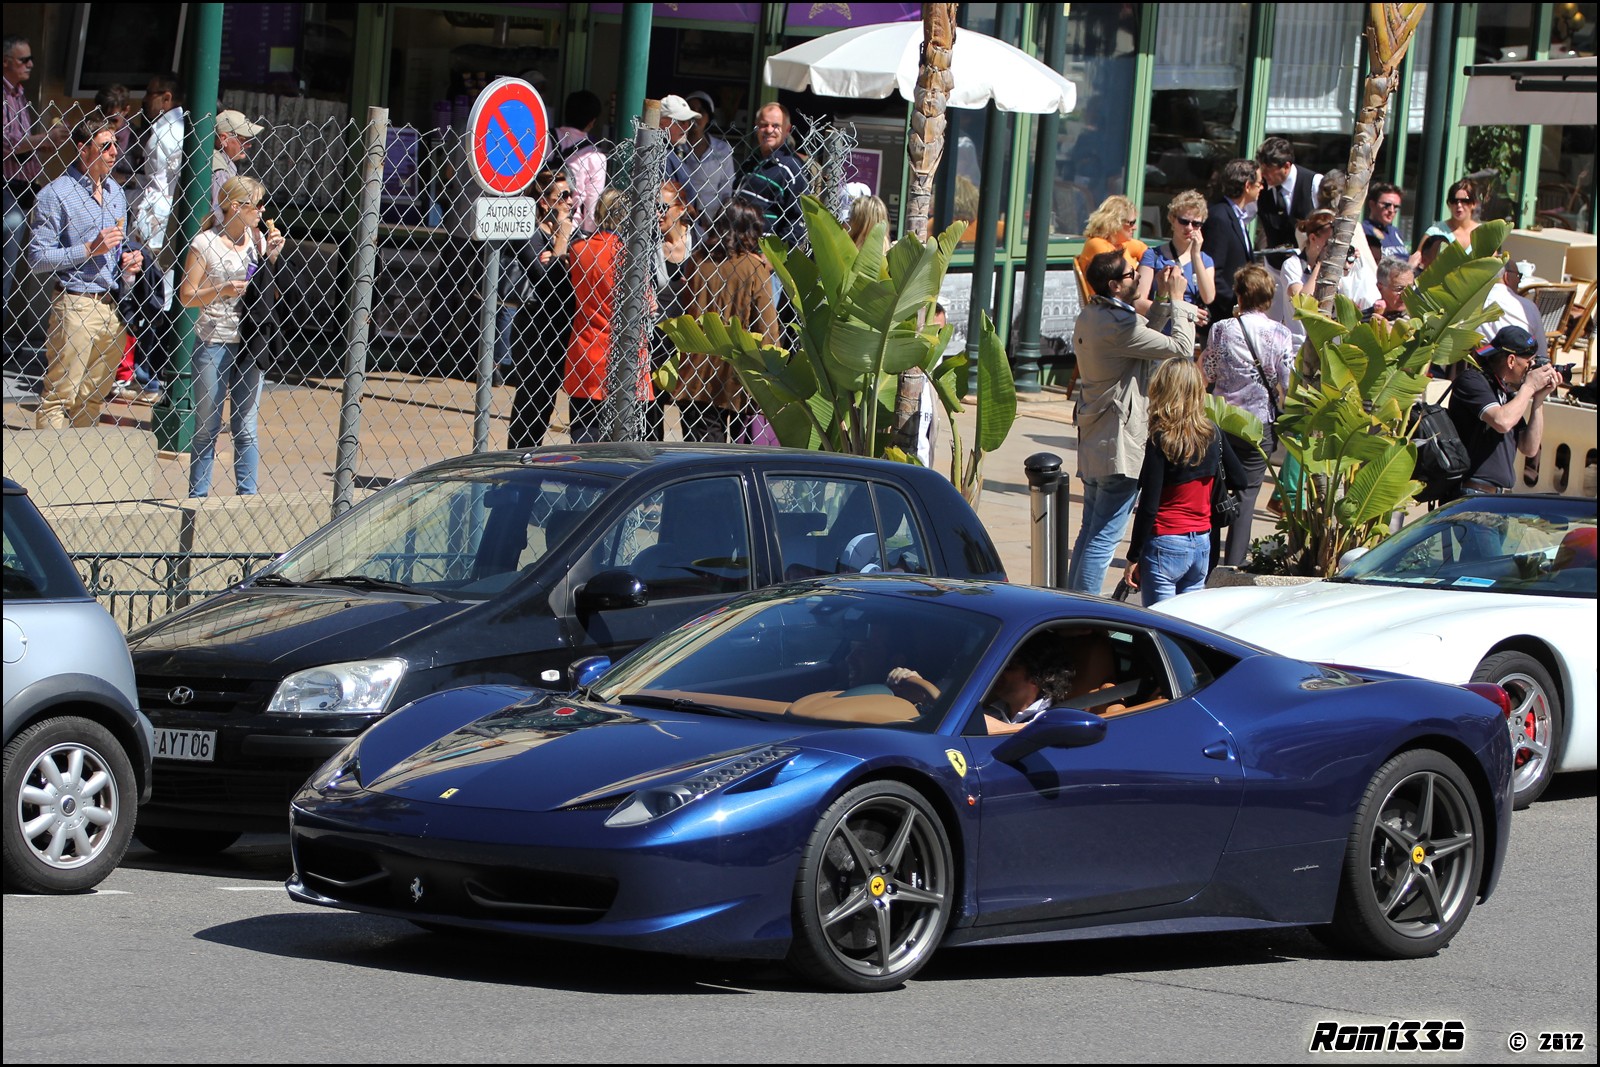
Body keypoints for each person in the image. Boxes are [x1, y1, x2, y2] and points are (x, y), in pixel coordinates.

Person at [1066, 249, 1197, 596]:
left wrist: (1167, 301)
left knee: (1089, 533)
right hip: (1118, 446)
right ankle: (1086, 615)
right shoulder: (1118, 326)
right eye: (1131, 273)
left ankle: (1073, 604)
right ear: (1114, 285)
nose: (1139, 275)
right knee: (1103, 540)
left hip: (1097, 440)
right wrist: (1180, 301)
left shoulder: (1093, 315)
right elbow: (1181, 348)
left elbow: (1143, 337)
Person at [25, 117, 145, 429]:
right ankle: (47, 472)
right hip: (75, 302)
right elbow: (37, 258)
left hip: (112, 305)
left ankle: (79, 464)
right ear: (83, 149)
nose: (113, 152)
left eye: (115, 145)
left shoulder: (116, 192)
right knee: (59, 396)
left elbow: (117, 246)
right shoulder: (55, 194)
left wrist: (128, 258)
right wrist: (90, 249)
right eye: (104, 146)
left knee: (94, 396)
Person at [177, 175, 284, 496]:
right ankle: (197, 497)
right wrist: (220, 289)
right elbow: (186, 295)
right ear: (235, 207)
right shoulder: (204, 243)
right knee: (208, 426)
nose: (263, 211)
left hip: (251, 342)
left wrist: (273, 258)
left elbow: (272, 293)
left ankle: (246, 498)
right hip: (214, 340)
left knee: (246, 428)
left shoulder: (258, 242)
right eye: (257, 204)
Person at [1124, 358, 1247, 606]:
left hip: (1166, 541)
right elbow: (1241, 478)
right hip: (1201, 543)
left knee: (1161, 624)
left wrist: (1133, 556)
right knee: (1187, 627)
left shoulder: (1161, 438)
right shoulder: (1212, 432)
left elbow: (1149, 506)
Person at [1204, 264, 1292, 567]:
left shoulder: (1222, 328)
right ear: (1268, 297)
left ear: (1239, 294)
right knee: (1247, 495)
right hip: (1259, 423)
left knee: (1214, 490)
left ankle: (1210, 561)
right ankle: (1234, 565)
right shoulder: (1281, 333)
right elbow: (1286, 383)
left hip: (1222, 421)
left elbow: (1210, 371)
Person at [675, 198, 777, 442]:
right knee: (741, 456)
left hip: (696, 373)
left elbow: (686, 306)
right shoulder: (754, 268)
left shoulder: (698, 260)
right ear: (748, 232)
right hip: (739, 377)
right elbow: (768, 327)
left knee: (702, 458)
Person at [564, 188, 651, 441]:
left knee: (584, 428)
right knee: (624, 432)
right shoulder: (630, 254)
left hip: (586, 347)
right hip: (625, 350)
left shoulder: (579, 249)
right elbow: (645, 303)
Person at [504, 171, 576, 449]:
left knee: (550, 404)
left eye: (571, 194)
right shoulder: (528, 234)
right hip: (534, 329)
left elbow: (577, 272)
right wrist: (561, 247)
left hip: (564, 328)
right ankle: (518, 463)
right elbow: (547, 283)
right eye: (563, 196)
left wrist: (561, 255)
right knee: (532, 403)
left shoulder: (574, 231)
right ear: (545, 203)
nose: (570, 201)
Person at [4, 35, 71, 328]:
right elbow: (7, 143)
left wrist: (43, 143)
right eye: (24, 60)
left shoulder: (19, 95)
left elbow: (21, 145)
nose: (31, 65)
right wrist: (45, 138)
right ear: (6, 62)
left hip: (24, 186)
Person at [1446, 325, 1558, 497]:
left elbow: (1529, 448)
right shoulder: (1472, 381)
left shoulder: (1507, 393)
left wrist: (1538, 400)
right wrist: (1529, 387)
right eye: (1529, 362)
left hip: (1498, 496)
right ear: (1511, 361)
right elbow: (1501, 422)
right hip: (1471, 493)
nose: (1531, 368)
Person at [1279, 209, 1379, 345]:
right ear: (1313, 238)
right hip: (1300, 345)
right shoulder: (1292, 265)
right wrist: (1321, 263)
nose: (1334, 249)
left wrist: (1350, 266)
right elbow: (1302, 302)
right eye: (1330, 244)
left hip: (1330, 345)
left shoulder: (1337, 264)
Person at [1134, 189, 1215, 328]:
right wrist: (1183, 312)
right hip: (1157, 332)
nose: (1189, 228)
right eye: (1184, 221)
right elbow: (1138, 302)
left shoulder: (1205, 260)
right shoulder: (1152, 255)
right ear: (1172, 219)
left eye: (1196, 224)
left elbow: (1208, 297)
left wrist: (1196, 254)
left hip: (1185, 334)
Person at [732, 102, 809, 248]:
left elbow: (797, 219)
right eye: (764, 125)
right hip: (737, 249)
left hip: (764, 258)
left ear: (787, 130)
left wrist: (776, 258)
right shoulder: (750, 161)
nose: (769, 130)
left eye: (776, 126)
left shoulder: (792, 168)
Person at [1201, 159, 1263, 324]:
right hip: (1223, 317)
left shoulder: (1237, 216)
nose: (1262, 188)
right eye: (1259, 184)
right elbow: (1213, 270)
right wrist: (1234, 305)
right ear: (1247, 186)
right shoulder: (1220, 217)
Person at [980, 631, 1077, 735]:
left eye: (1009, 666)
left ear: (1037, 676)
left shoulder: (1057, 720)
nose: (999, 672)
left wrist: (1000, 728)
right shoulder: (990, 711)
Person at [680, 90, 734, 235]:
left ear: (709, 117)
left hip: (713, 220)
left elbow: (726, 190)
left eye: (701, 111)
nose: (695, 116)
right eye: (691, 110)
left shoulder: (722, 149)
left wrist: (719, 221)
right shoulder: (677, 147)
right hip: (681, 216)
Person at [553, 90, 606, 235]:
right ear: (592, 122)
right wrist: (588, 235)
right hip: (571, 225)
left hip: (539, 219)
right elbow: (592, 201)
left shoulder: (548, 140)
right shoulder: (595, 156)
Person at [1254, 136, 1321, 250]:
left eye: (1268, 169)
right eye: (1261, 168)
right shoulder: (1259, 187)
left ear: (1286, 166)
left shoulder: (1314, 183)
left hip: (1307, 263)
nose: (1263, 173)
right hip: (1273, 265)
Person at [1479, 260, 1548, 363]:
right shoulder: (1527, 307)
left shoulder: (1471, 306)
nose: (1519, 281)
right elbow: (1541, 354)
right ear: (1506, 276)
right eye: (1518, 276)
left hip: (1481, 367)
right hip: (1521, 370)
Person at [1074, 195, 1148, 276]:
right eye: (1131, 223)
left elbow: (1148, 254)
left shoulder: (1121, 243)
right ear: (1114, 222)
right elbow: (1125, 275)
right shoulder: (1097, 244)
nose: (1135, 228)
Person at [211, 110, 263, 219]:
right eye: (243, 139)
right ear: (224, 139)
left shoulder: (226, 162)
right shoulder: (220, 170)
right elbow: (218, 213)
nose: (249, 145)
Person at [659, 94, 702, 210]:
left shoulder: (678, 151)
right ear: (661, 123)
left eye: (689, 121)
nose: (686, 126)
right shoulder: (662, 155)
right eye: (680, 121)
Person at [1426, 178, 1482, 251]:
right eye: (1454, 201)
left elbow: (1493, 260)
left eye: (1464, 201)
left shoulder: (1483, 234)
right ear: (1449, 204)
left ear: (1474, 204)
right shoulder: (1436, 232)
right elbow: (1420, 259)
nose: (1459, 205)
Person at [1363, 182, 1408, 260]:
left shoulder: (1395, 232)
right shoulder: (1364, 230)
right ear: (1372, 204)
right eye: (1387, 205)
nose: (1391, 210)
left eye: (1396, 207)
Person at [1373, 256, 1415, 321]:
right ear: (1380, 287)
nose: (1406, 295)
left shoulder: (1417, 321)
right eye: (1399, 289)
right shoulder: (1362, 320)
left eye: (1410, 288)